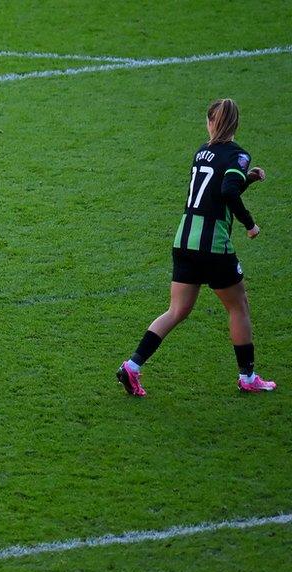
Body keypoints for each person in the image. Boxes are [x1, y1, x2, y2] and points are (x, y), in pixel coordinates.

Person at [117, 99, 275, 396]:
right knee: (238, 306)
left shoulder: (201, 153)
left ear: (212, 123)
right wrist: (250, 224)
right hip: (213, 245)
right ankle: (248, 377)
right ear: (235, 124)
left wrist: (247, 180)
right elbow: (226, 190)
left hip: (185, 240)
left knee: (177, 310)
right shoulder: (238, 155)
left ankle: (132, 366)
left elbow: (216, 189)